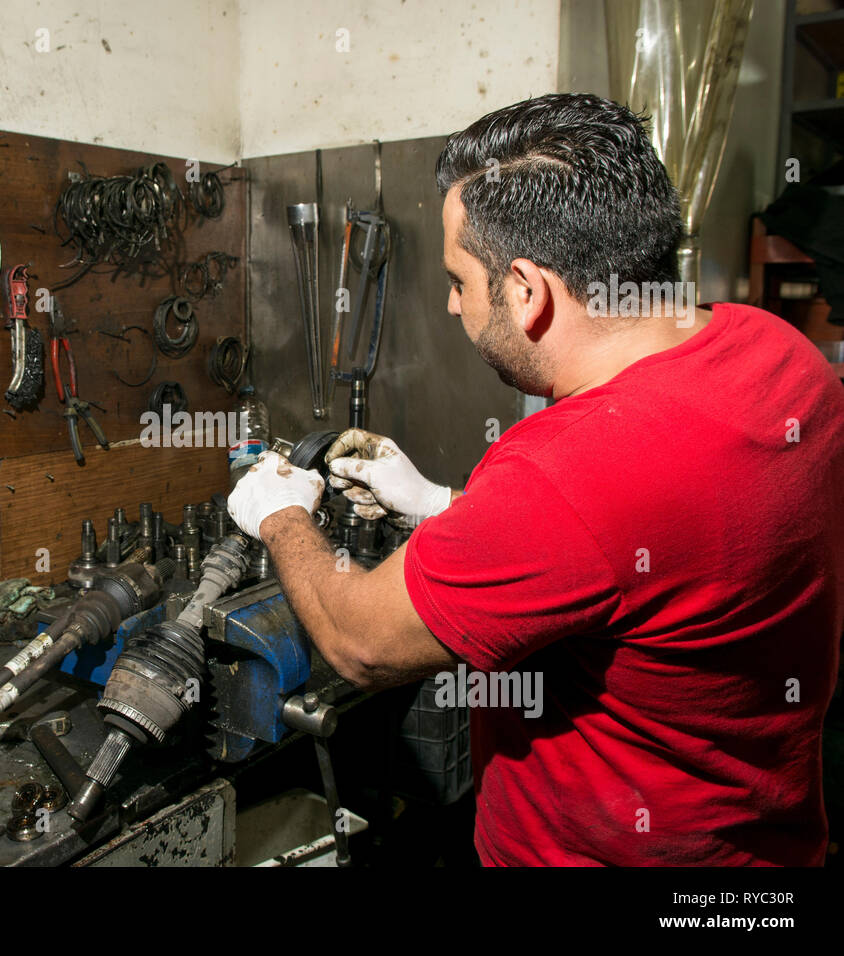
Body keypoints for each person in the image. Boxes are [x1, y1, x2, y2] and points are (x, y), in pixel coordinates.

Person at [227, 93, 844, 866]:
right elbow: (659, 546)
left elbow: (361, 643)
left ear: (526, 290)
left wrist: (282, 514)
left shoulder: (564, 473)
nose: (452, 305)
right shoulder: (781, 354)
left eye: (459, 279)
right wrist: (449, 508)